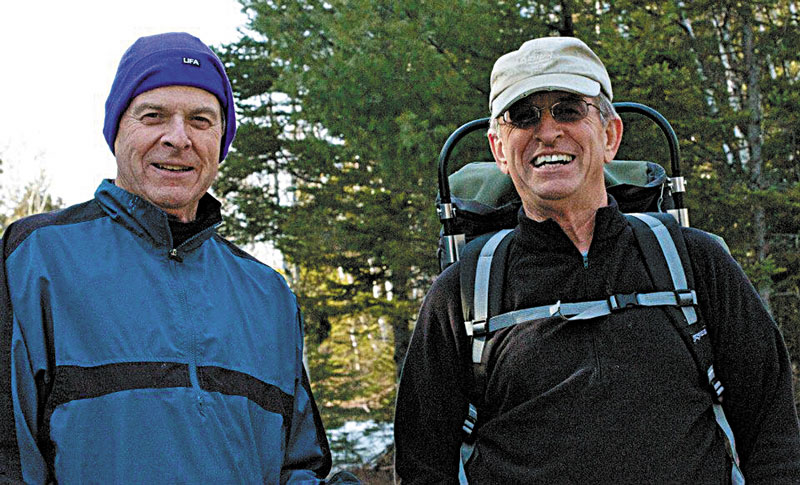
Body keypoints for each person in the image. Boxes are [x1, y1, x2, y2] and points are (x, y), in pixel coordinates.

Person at [394, 36, 800, 483]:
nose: (547, 131)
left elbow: (773, 436)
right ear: (498, 149)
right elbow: (422, 466)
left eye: (568, 109)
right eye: (523, 117)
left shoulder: (695, 263)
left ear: (610, 135)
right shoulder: (463, 293)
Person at [1, 32, 341, 484]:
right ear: (117, 129)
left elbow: (297, 466)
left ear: (221, 140)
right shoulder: (35, 258)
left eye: (201, 120)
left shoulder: (268, 295)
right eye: (153, 116)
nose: (178, 138)